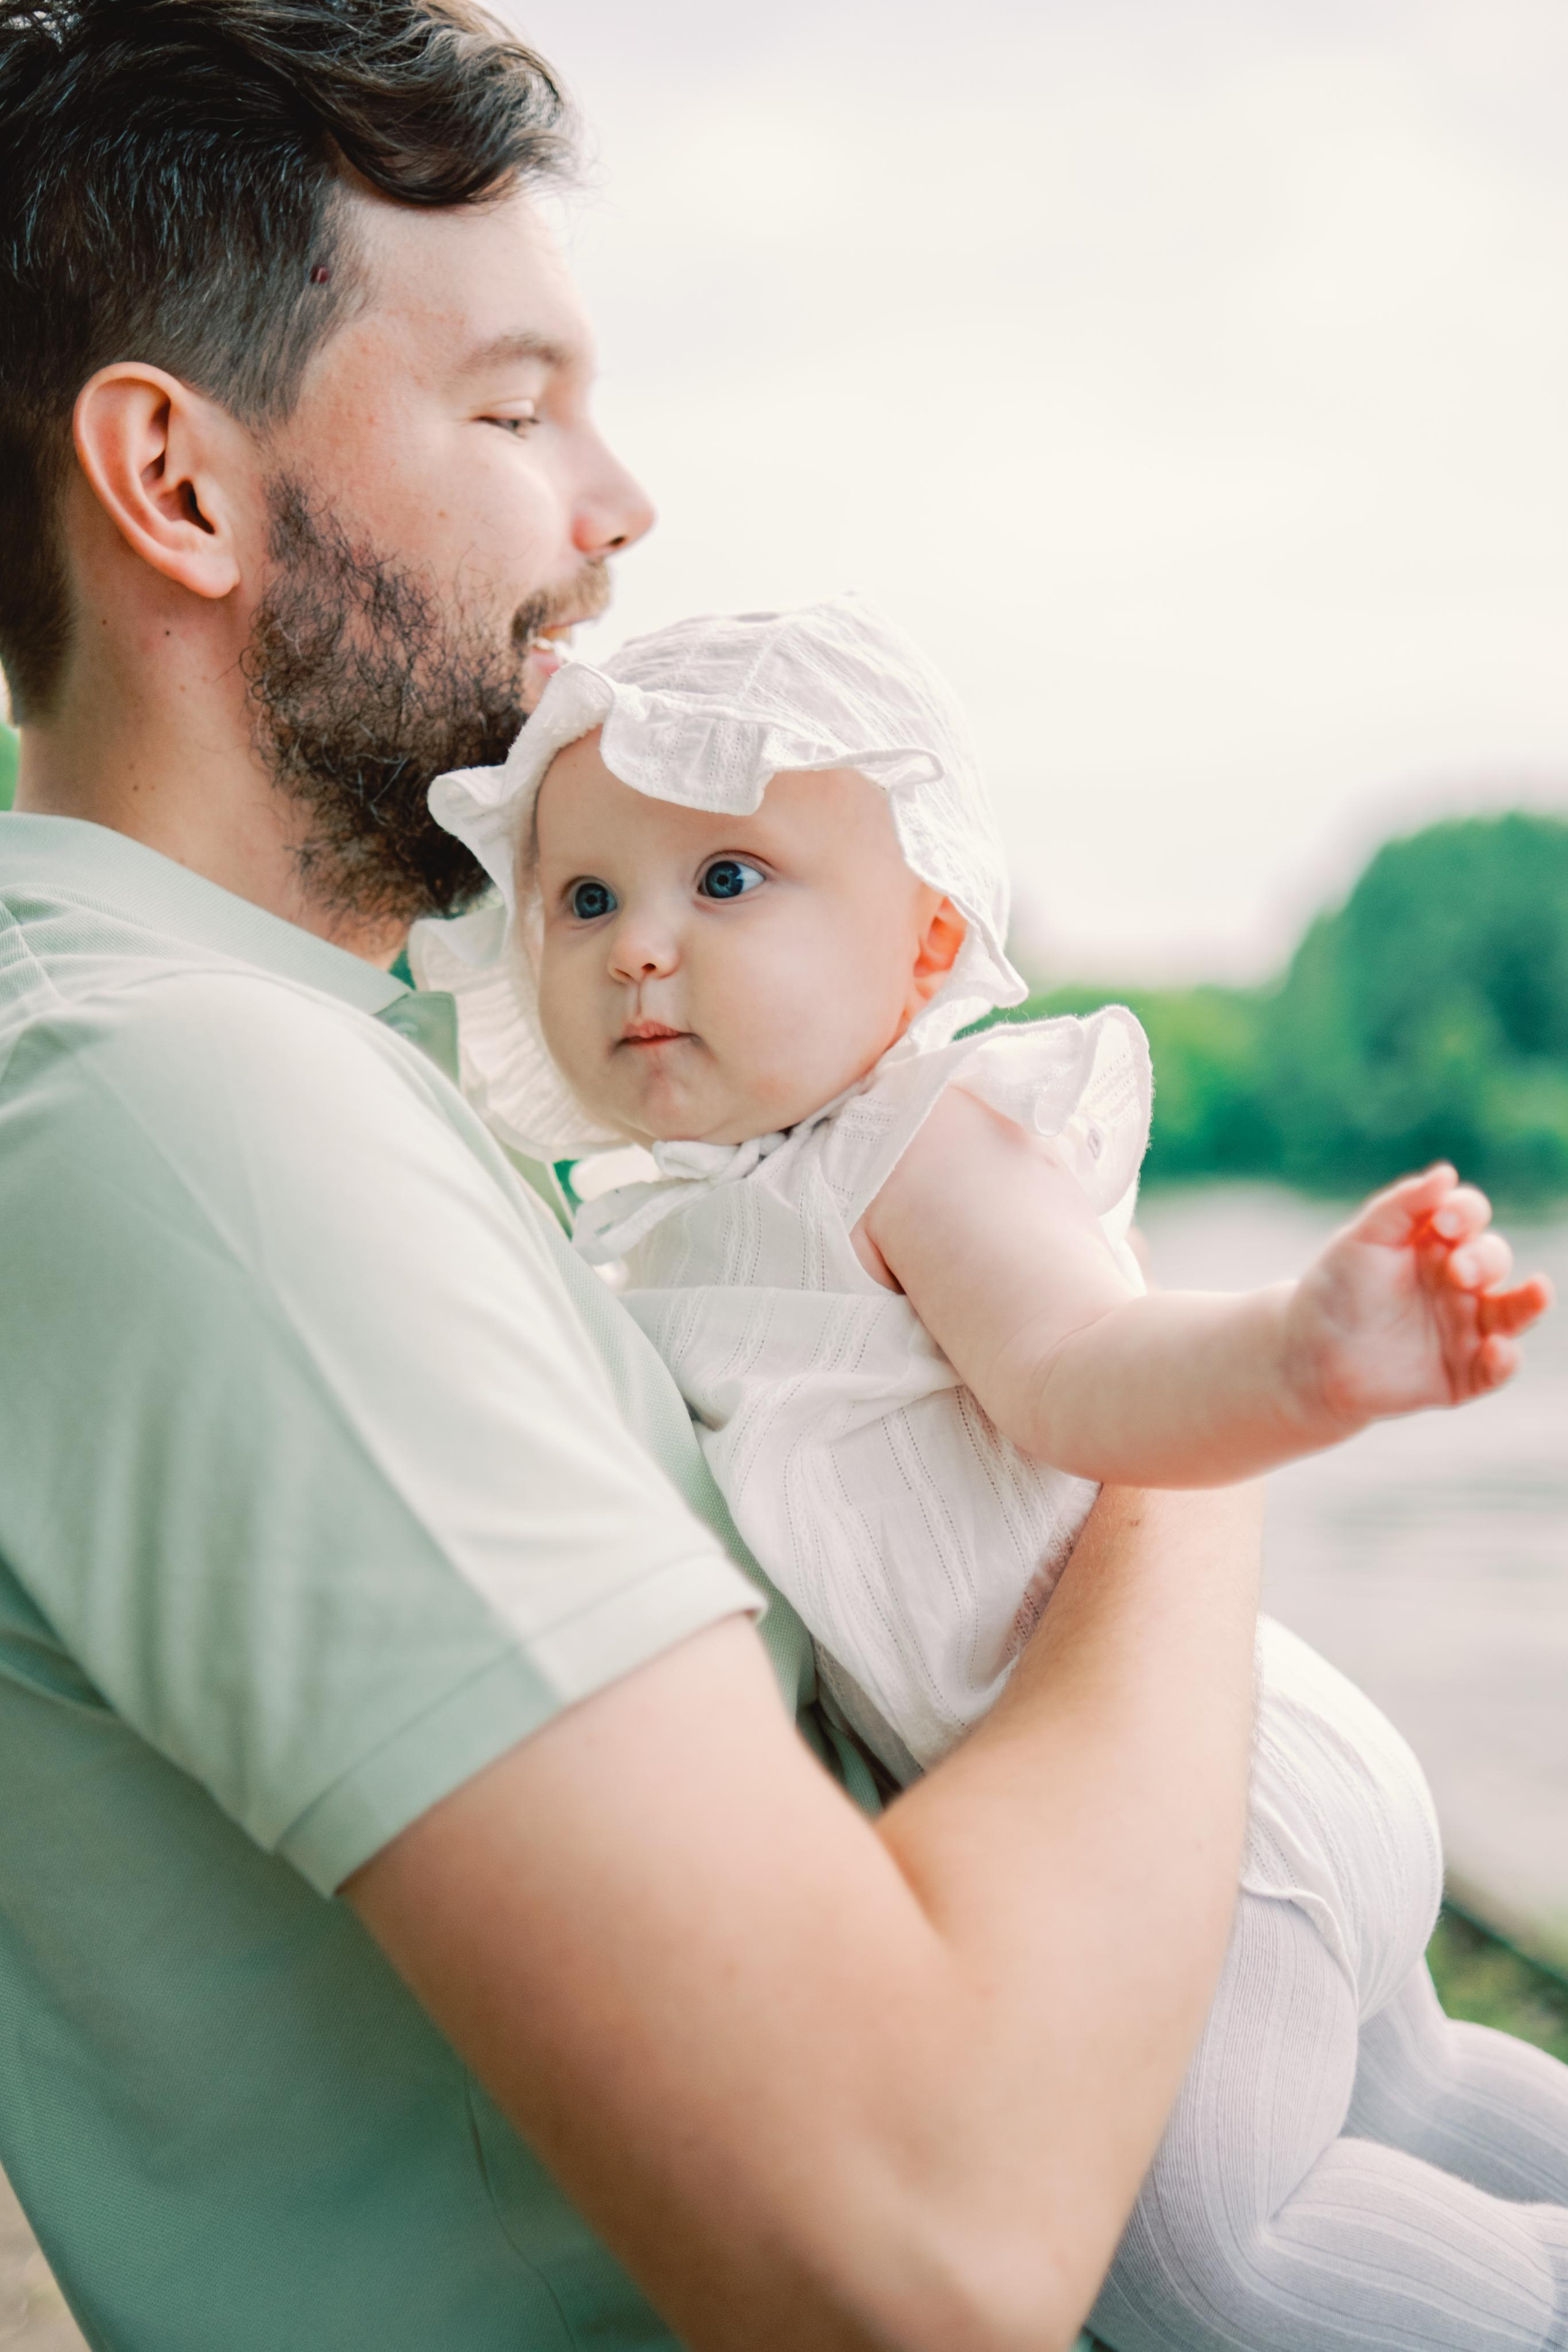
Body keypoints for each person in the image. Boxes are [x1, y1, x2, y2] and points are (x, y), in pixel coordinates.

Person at [0, 4, 1266, 2348]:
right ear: (177, 487)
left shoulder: (329, 1064)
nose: (619, 502)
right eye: (510, 406)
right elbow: (925, 2248)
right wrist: (1177, 1445)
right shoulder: (175, 1116)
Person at [412, 593, 1568, 2352]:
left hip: (1191, 1831)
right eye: (587, 899)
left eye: (726, 879)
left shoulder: (909, 1146)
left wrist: (1296, 1356)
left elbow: (1087, 1366)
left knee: (1203, 2268)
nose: (642, 946)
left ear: (926, 928)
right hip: (1228, 1771)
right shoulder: (673, 1233)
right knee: (1400, 2103)